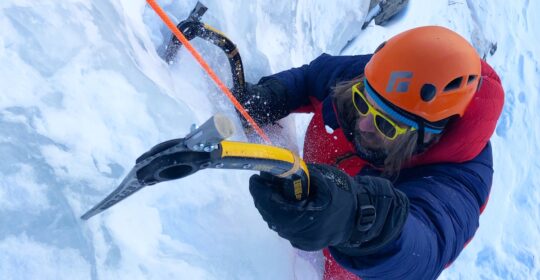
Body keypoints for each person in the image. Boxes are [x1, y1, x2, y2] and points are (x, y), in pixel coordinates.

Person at [234, 26, 504, 279]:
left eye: (386, 124)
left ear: (429, 136)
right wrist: (275, 94)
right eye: (361, 102)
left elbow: (425, 247)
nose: (362, 123)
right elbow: (311, 78)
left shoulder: (460, 179)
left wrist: (357, 219)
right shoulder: (387, 80)